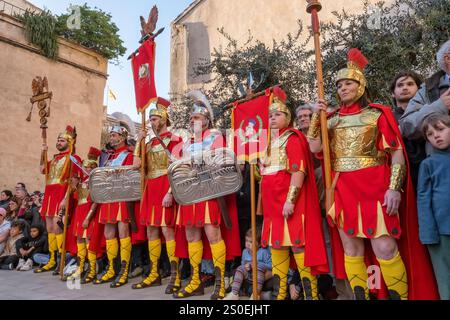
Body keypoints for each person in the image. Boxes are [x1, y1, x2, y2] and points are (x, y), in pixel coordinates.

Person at [308, 48, 439, 300]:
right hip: (343, 188)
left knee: (385, 247)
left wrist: (394, 188)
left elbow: (397, 153)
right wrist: (317, 115)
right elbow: (314, 147)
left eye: (348, 83)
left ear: (360, 85)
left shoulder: (378, 114)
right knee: (352, 249)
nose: (342, 88)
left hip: (375, 186)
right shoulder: (331, 120)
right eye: (339, 85)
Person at [259, 87, 328, 300]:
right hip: (272, 206)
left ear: (287, 117)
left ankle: (311, 296)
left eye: (277, 114)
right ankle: (280, 296)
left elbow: (299, 172)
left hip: (290, 204)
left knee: (299, 248)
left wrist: (290, 201)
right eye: (270, 115)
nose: (272, 118)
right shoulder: (267, 142)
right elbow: (264, 176)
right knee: (277, 248)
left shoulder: (293, 138)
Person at [173, 91, 241, 300]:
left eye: (198, 117)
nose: (194, 120)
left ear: (206, 119)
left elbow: (220, 161)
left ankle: (219, 284)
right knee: (191, 235)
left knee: (213, 235)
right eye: (192, 118)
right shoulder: (185, 143)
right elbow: (177, 168)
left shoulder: (216, 137)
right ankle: (195, 281)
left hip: (208, 191)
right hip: (188, 193)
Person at [132, 98, 183, 293]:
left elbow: (178, 167)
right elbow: (137, 164)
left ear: (164, 119)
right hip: (150, 187)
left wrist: (170, 192)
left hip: (165, 185)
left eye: (154, 118)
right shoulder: (149, 142)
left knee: (167, 231)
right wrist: (139, 141)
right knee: (151, 231)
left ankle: (174, 275)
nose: (152, 121)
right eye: (150, 118)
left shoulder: (175, 139)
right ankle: (154, 273)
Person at [34, 125, 81, 274]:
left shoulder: (73, 158)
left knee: (57, 226)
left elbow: (74, 181)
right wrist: (43, 151)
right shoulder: (54, 159)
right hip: (49, 194)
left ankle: (62, 260)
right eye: (58, 140)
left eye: (61, 140)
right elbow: (42, 170)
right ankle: (52, 259)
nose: (59, 142)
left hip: (61, 194)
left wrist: (65, 199)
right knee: (49, 229)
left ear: (69, 142)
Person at [94, 126, 134, 288]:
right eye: (110, 135)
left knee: (123, 231)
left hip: (121, 197)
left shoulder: (129, 155)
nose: (111, 137)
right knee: (108, 232)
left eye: (114, 135)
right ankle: (112, 268)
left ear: (122, 137)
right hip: (108, 197)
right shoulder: (109, 157)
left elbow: (131, 176)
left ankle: (124, 270)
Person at [417, 114, 450, 299]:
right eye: (430, 134)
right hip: (441, 233)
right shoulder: (428, 164)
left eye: (441, 129)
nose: (436, 135)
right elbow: (423, 199)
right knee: (445, 279)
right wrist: (428, 232)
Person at [400, 40, 450, 155]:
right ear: (448, 59)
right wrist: (439, 106)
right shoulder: (428, 90)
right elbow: (407, 126)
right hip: (441, 168)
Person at [66, 147, 103, 283]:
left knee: (88, 241)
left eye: (87, 167)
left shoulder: (95, 181)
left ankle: (92, 271)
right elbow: (76, 198)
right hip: (79, 212)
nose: (85, 169)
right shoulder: (82, 182)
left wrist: (88, 218)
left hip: (88, 213)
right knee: (79, 240)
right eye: (84, 167)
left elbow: (95, 202)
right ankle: (80, 268)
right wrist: (74, 186)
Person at [390, 71, 424, 190]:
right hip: (400, 181)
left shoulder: (429, 113)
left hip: (428, 174)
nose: (405, 87)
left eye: (410, 84)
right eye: (400, 85)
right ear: (393, 93)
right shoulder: (387, 118)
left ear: (419, 89)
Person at [225, 228, 272, 300]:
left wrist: (258, 264)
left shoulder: (263, 252)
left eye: (251, 241)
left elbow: (271, 265)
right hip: (249, 277)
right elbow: (242, 264)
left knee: (258, 267)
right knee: (240, 268)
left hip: (260, 277)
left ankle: (256, 294)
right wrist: (245, 266)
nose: (247, 243)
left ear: (259, 244)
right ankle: (234, 294)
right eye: (246, 240)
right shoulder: (245, 252)